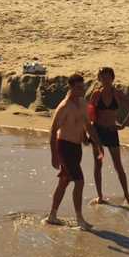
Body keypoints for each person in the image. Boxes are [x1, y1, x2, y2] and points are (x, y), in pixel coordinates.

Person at [45, 73, 94, 228]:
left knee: (64, 182)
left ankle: (52, 216)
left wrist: (89, 140)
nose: (82, 89)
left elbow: (85, 124)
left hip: (76, 148)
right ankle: (80, 219)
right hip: (64, 147)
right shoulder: (64, 106)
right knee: (79, 182)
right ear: (71, 87)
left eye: (83, 86)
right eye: (78, 87)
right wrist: (54, 156)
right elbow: (53, 131)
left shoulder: (83, 103)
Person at [89, 67, 129, 206]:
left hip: (111, 130)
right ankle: (100, 195)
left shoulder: (118, 94)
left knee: (118, 165)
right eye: (104, 78)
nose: (106, 81)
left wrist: (122, 125)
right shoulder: (96, 94)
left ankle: (127, 196)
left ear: (112, 78)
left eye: (109, 78)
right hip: (97, 130)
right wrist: (86, 130)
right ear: (100, 80)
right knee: (98, 164)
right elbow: (87, 112)